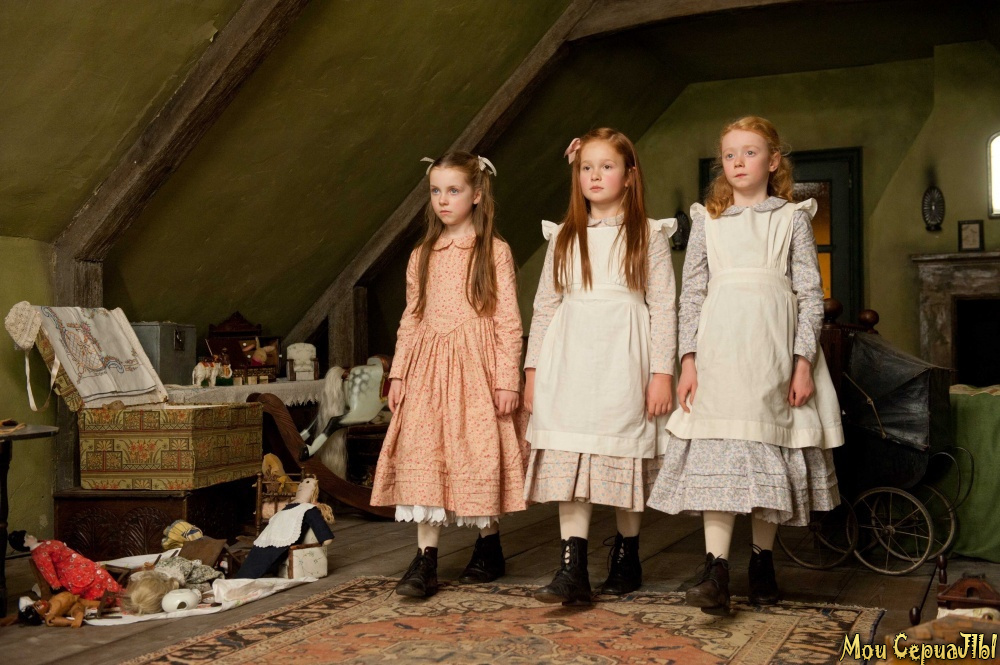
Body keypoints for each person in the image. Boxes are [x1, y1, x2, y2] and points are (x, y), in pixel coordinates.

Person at [647, 116, 843, 615]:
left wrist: (803, 362)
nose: (738, 162)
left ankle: (761, 562)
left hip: (772, 350)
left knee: (765, 447)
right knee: (719, 452)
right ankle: (715, 569)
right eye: (729, 154)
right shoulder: (708, 221)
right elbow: (692, 294)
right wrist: (688, 360)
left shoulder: (792, 218)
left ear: (773, 161)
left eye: (750, 152)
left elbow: (810, 294)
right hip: (720, 352)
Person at [524, 128, 677, 605]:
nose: (594, 175)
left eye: (606, 166)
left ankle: (627, 555)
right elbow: (545, 307)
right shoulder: (564, 237)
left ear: (629, 175)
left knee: (621, 453)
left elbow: (664, 307)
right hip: (568, 361)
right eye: (586, 167)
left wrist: (662, 373)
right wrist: (532, 371)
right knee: (571, 455)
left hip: (624, 359)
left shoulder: (648, 235)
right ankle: (572, 567)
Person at [370, 151, 527, 598]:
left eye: (453, 190)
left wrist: (507, 379)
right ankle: (425, 559)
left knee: (477, 450)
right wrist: (399, 373)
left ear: (476, 194)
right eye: (436, 191)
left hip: (477, 366)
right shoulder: (422, 254)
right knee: (424, 450)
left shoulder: (494, 251)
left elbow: (508, 320)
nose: (443, 200)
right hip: (427, 367)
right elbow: (411, 316)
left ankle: (488, 545)